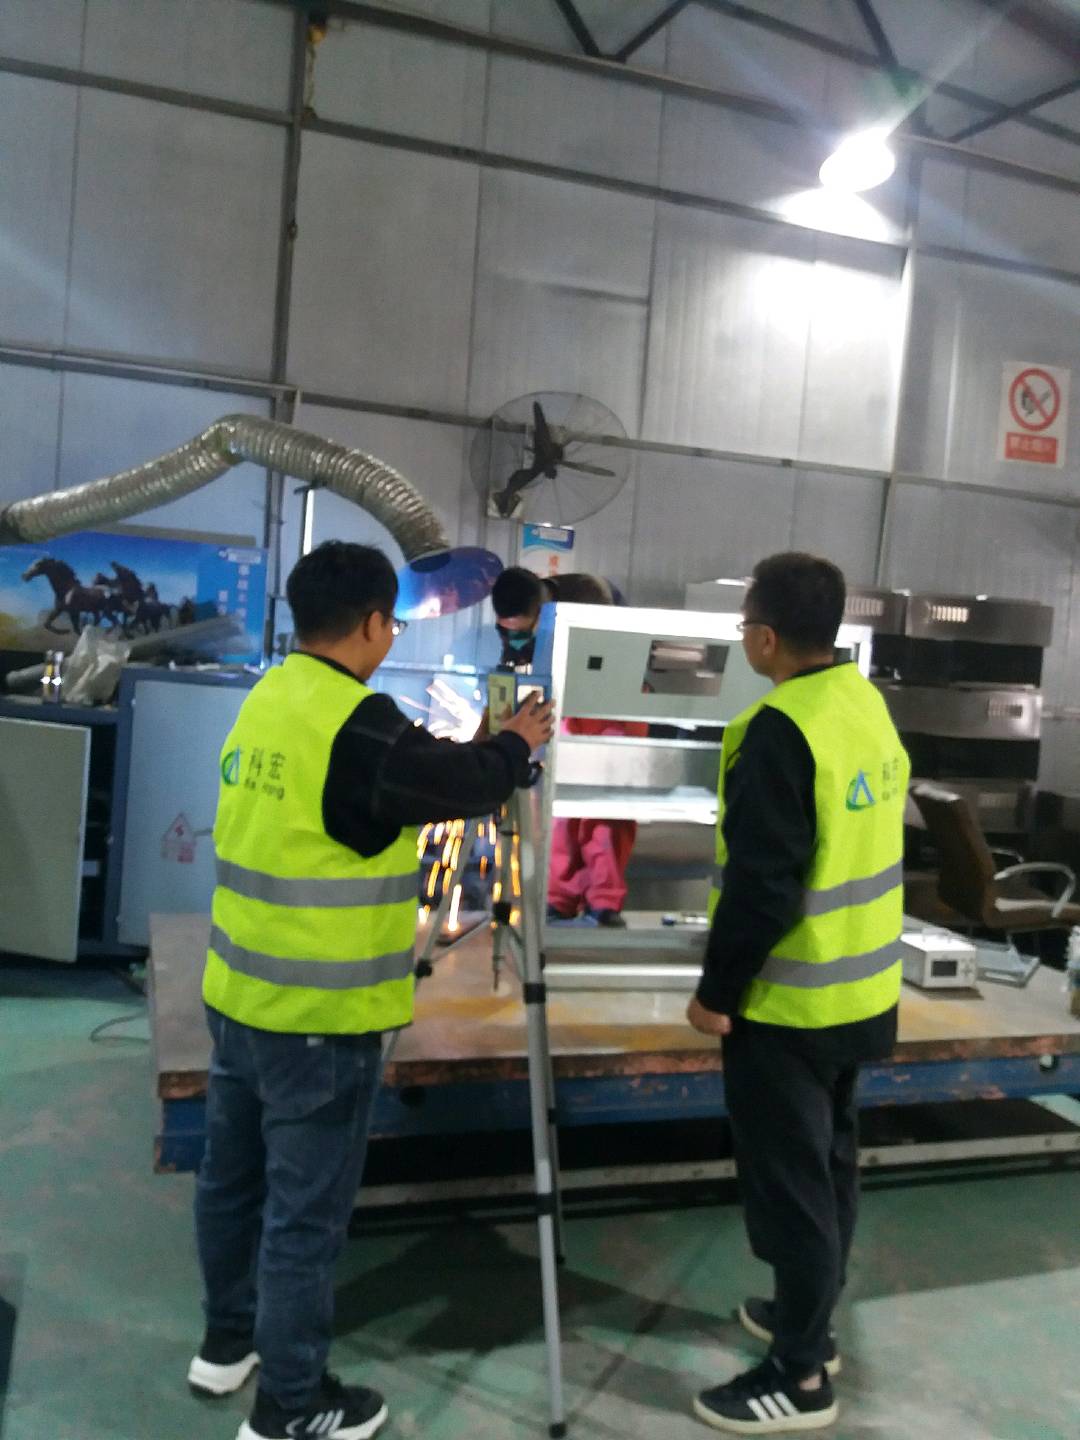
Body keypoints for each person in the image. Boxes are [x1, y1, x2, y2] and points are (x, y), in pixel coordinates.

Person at [188, 541, 553, 1440]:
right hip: (319, 1018)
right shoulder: (362, 723)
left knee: (231, 1185)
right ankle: (290, 1407)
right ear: (373, 624)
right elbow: (458, 782)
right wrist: (517, 743)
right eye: (392, 623)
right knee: (304, 1220)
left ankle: (227, 1344)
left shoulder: (270, 697)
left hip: (237, 997)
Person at [686, 552, 908, 1435]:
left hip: (789, 1006)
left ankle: (800, 1374)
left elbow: (763, 885)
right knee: (831, 1167)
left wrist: (717, 992)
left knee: (792, 1190)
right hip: (863, 992)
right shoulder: (863, 705)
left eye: (746, 625)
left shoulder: (779, 729)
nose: (746, 638)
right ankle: (808, 1318)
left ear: (767, 637)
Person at [491, 565, 643, 926]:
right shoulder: (522, 610)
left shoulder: (588, 595)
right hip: (568, 702)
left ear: (541, 612)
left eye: (522, 632)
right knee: (558, 805)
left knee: (605, 808)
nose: (515, 639)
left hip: (614, 705)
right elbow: (519, 661)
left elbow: (605, 663)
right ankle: (560, 898)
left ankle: (604, 901)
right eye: (507, 631)